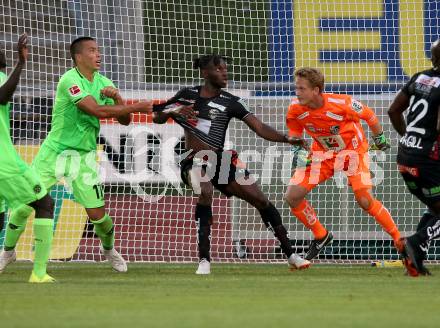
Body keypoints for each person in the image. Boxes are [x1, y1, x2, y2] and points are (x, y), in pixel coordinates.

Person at [0, 36, 152, 274]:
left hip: (85, 158)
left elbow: (125, 121)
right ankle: (8, 252)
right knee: (23, 206)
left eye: (98, 50)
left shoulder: (103, 81)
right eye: (92, 50)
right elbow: (94, 109)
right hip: (55, 152)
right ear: (78, 56)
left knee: (99, 218)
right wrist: (136, 105)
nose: (98, 54)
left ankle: (109, 249)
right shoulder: (70, 80)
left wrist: (119, 99)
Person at [153, 54, 310, 274]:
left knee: (260, 199)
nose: (224, 72)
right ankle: (204, 260)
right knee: (205, 189)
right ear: (205, 73)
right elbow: (156, 116)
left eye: (225, 68)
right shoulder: (186, 95)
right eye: (218, 69)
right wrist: (175, 110)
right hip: (194, 160)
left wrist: (286, 138)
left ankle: (291, 255)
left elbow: (259, 127)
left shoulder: (231, 101)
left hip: (221, 160)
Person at [284, 67, 401, 260]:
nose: (297, 93)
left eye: (302, 88)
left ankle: (399, 239)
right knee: (292, 196)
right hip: (322, 155)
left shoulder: (342, 103)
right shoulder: (295, 108)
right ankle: (321, 235)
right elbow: (295, 133)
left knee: (364, 201)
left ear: (316, 90)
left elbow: (369, 115)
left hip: (354, 153)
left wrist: (379, 138)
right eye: (296, 88)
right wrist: (297, 150)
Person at [0, 34, 57, 283]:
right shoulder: (2, 77)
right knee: (44, 203)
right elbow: (2, 96)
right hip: (5, 163)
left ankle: (8, 254)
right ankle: (39, 273)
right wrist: (21, 63)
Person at [388, 39, 440, 276]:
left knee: (435, 207)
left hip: (406, 156)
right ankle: (416, 242)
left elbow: (393, 110)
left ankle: (415, 255)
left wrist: (408, 136)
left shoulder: (419, 78)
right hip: (428, 159)